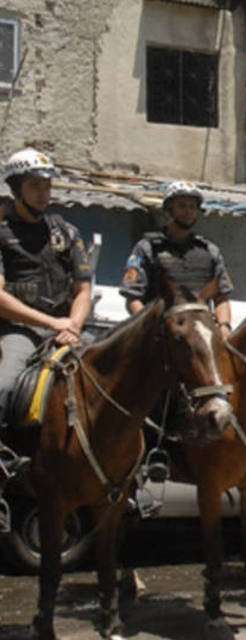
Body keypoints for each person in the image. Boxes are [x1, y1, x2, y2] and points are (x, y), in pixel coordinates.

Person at [0, 148, 93, 530]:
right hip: (20, 329)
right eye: (35, 186)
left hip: (67, 329)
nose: (43, 193)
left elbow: (83, 287)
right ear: (17, 189)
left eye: (47, 186)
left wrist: (72, 322)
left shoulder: (67, 232)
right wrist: (51, 324)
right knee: (2, 385)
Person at [120, 181, 233, 338]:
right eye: (181, 206)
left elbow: (221, 298)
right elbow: (133, 298)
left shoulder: (210, 251)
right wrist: (150, 327)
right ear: (169, 210)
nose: (188, 212)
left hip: (199, 336)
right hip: (156, 336)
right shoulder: (147, 248)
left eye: (192, 207)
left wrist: (224, 327)